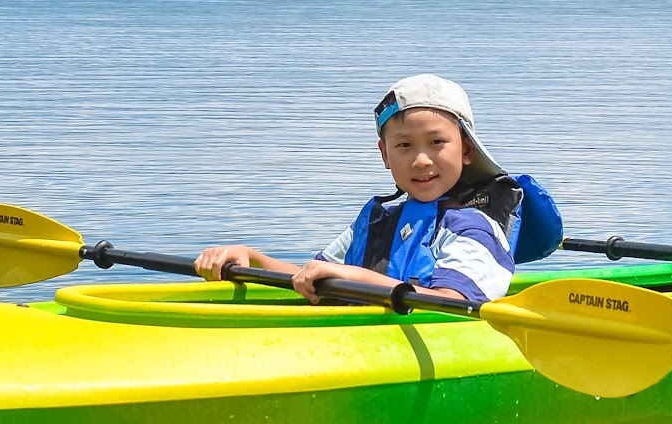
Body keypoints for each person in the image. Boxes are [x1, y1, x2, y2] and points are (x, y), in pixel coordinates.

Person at [194, 74, 561, 305]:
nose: (421, 160)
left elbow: (454, 303)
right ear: (385, 154)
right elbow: (310, 277)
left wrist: (360, 278)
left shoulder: (474, 227)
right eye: (404, 146)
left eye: (437, 143)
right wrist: (250, 257)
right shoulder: (377, 221)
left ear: (466, 150)